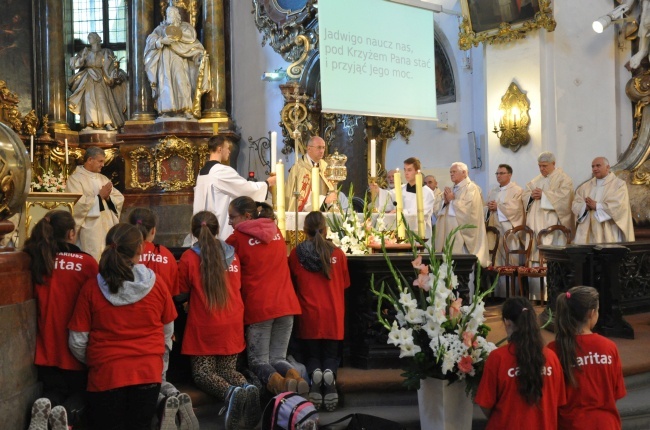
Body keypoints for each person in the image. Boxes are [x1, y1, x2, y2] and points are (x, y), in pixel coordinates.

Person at [68, 223, 177, 430]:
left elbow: (78, 340)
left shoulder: (92, 288)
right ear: (140, 249)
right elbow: (167, 331)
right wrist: (158, 361)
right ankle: (165, 402)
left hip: (107, 373)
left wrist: (96, 359)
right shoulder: (157, 284)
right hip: (148, 371)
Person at [178, 211, 260, 430]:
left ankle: (231, 392)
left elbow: (180, 290)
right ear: (217, 229)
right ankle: (245, 387)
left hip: (205, 322)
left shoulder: (189, 257)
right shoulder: (233, 256)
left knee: (203, 374)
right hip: (232, 320)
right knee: (227, 370)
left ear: (193, 232)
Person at [23, 211, 99, 430]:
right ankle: (65, 417)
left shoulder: (37, 259)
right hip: (75, 347)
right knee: (83, 392)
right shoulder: (86, 263)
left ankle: (44, 406)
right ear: (72, 233)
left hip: (44, 347)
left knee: (53, 389)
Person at [225, 197, 306, 396]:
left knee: (258, 361)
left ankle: (279, 384)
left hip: (260, 307)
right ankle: (297, 379)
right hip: (286, 305)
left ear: (247, 216)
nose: (230, 222)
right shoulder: (276, 232)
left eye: (232, 217)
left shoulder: (236, 239)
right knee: (278, 358)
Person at [127, 208, 198, 429]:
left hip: (130, 328)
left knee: (136, 381)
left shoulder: (124, 255)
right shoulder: (166, 255)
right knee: (159, 375)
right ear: (154, 231)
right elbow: (175, 295)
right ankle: (172, 398)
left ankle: (162, 406)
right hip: (160, 327)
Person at [288, 211, 350, 411]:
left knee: (312, 355)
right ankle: (329, 374)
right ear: (325, 229)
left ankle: (315, 373)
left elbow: (292, 282)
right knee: (331, 356)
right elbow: (345, 284)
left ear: (305, 231)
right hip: (333, 315)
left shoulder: (296, 254)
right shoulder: (338, 254)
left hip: (309, 314)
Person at [475, 297, 566, 429]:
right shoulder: (552, 358)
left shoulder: (498, 358)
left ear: (507, 322)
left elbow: (485, 404)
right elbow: (559, 402)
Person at [548, 286, 626, 430]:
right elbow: (616, 392)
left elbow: (549, 395)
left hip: (570, 424)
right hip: (605, 424)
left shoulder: (552, 350)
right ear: (592, 313)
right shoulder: (608, 347)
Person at [193, 135, 275, 241]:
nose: (229, 152)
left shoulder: (201, 173)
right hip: (219, 229)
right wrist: (267, 183)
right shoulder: (221, 171)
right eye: (228, 148)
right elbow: (245, 188)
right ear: (219, 149)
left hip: (202, 226)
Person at [144, 5, 211, 118]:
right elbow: (150, 40)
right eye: (168, 13)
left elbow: (193, 47)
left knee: (181, 82)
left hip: (178, 61)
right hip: (164, 62)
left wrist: (198, 58)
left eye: (172, 13)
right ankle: (166, 111)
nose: (169, 15)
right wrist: (161, 41)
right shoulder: (160, 29)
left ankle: (185, 110)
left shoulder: (185, 29)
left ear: (177, 16)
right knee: (165, 85)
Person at [66, 146, 124, 261]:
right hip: (90, 227)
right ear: (90, 160)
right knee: (93, 257)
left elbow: (119, 198)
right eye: (100, 161)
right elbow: (77, 204)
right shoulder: (75, 179)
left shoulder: (103, 179)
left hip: (107, 226)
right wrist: (99, 197)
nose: (103, 165)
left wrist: (107, 198)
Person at [68, 32, 127, 131]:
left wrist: (114, 73)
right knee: (88, 99)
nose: (89, 38)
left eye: (91, 36)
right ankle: (89, 123)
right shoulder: (85, 51)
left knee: (102, 99)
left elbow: (112, 66)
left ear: (97, 39)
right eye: (88, 37)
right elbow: (74, 64)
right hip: (88, 77)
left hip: (101, 77)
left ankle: (107, 122)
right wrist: (82, 57)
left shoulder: (106, 52)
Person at [522, 151, 574, 263]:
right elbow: (525, 195)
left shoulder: (563, 178)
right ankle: (535, 278)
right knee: (534, 250)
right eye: (539, 166)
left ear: (553, 163)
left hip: (551, 221)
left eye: (544, 166)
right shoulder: (536, 180)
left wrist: (544, 196)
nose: (541, 169)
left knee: (549, 251)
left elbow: (565, 197)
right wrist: (531, 196)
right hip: (535, 222)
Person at [434, 162, 489, 267]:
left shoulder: (472, 188)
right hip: (448, 231)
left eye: (454, 172)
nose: (451, 174)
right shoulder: (452, 188)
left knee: (461, 262)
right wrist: (445, 202)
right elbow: (437, 209)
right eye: (450, 172)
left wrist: (452, 201)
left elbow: (469, 210)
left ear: (464, 173)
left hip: (461, 232)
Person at [572, 157, 635, 244]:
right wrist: (585, 207)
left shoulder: (618, 185)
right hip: (587, 232)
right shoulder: (584, 187)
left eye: (598, 166)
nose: (595, 169)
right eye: (593, 166)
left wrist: (597, 206)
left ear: (607, 167)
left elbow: (619, 205)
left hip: (609, 230)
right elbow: (575, 204)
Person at [370, 157, 435, 237]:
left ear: (417, 171)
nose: (406, 173)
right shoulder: (401, 188)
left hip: (420, 235)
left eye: (409, 170)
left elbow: (422, 214)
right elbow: (389, 197)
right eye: (405, 170)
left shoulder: (427, 192)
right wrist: (378, 190)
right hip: (402, 233)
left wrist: (401, 212)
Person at [485, 164, 525, 265]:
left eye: (502, 173)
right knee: (494, 257)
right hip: (493, 228)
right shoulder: (493, 191)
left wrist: (498, 207)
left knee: (509, 258)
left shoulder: (517, 190)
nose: (498, 176)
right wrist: (488, 209)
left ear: (510, 175)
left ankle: (511, 280)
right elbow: (486, 207)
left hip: (507, 229)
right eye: (497, 173)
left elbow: (517, 209)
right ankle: (496, 280)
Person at [286, 136, 337, 212]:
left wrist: (330, 201)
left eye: (323, 148)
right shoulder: (299, 168)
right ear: (309, 148)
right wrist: (323, 200)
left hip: (323, 211)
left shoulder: (324, 166)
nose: (322, 151)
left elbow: (330, 189)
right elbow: (300, 195)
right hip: (304, 213)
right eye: (319, 147)